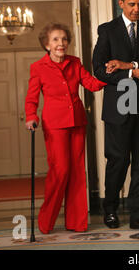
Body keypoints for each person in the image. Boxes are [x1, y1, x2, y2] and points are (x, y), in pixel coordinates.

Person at [92, 0, 139, 231]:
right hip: (117, 109)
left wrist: (127, 64)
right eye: (132, 4)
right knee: (118, 161)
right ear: (121, 3)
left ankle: (138, 216)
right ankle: (110, 209)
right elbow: (100, 70)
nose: (136, 9)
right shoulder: (108, 31)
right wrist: (134, 72)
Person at [25, 23, 107, 234]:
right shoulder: (38, 67)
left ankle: (77, 223)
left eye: (63, 39)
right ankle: (46, 221)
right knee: (60, 170)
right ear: (46, 45)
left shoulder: (75, 62)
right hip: (55, 125)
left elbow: (90, 83)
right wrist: (31, 116)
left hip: (78, 122)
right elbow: (32, 98)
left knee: (78, 172)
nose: (60, 43)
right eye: (55, 39)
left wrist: (108, 75)